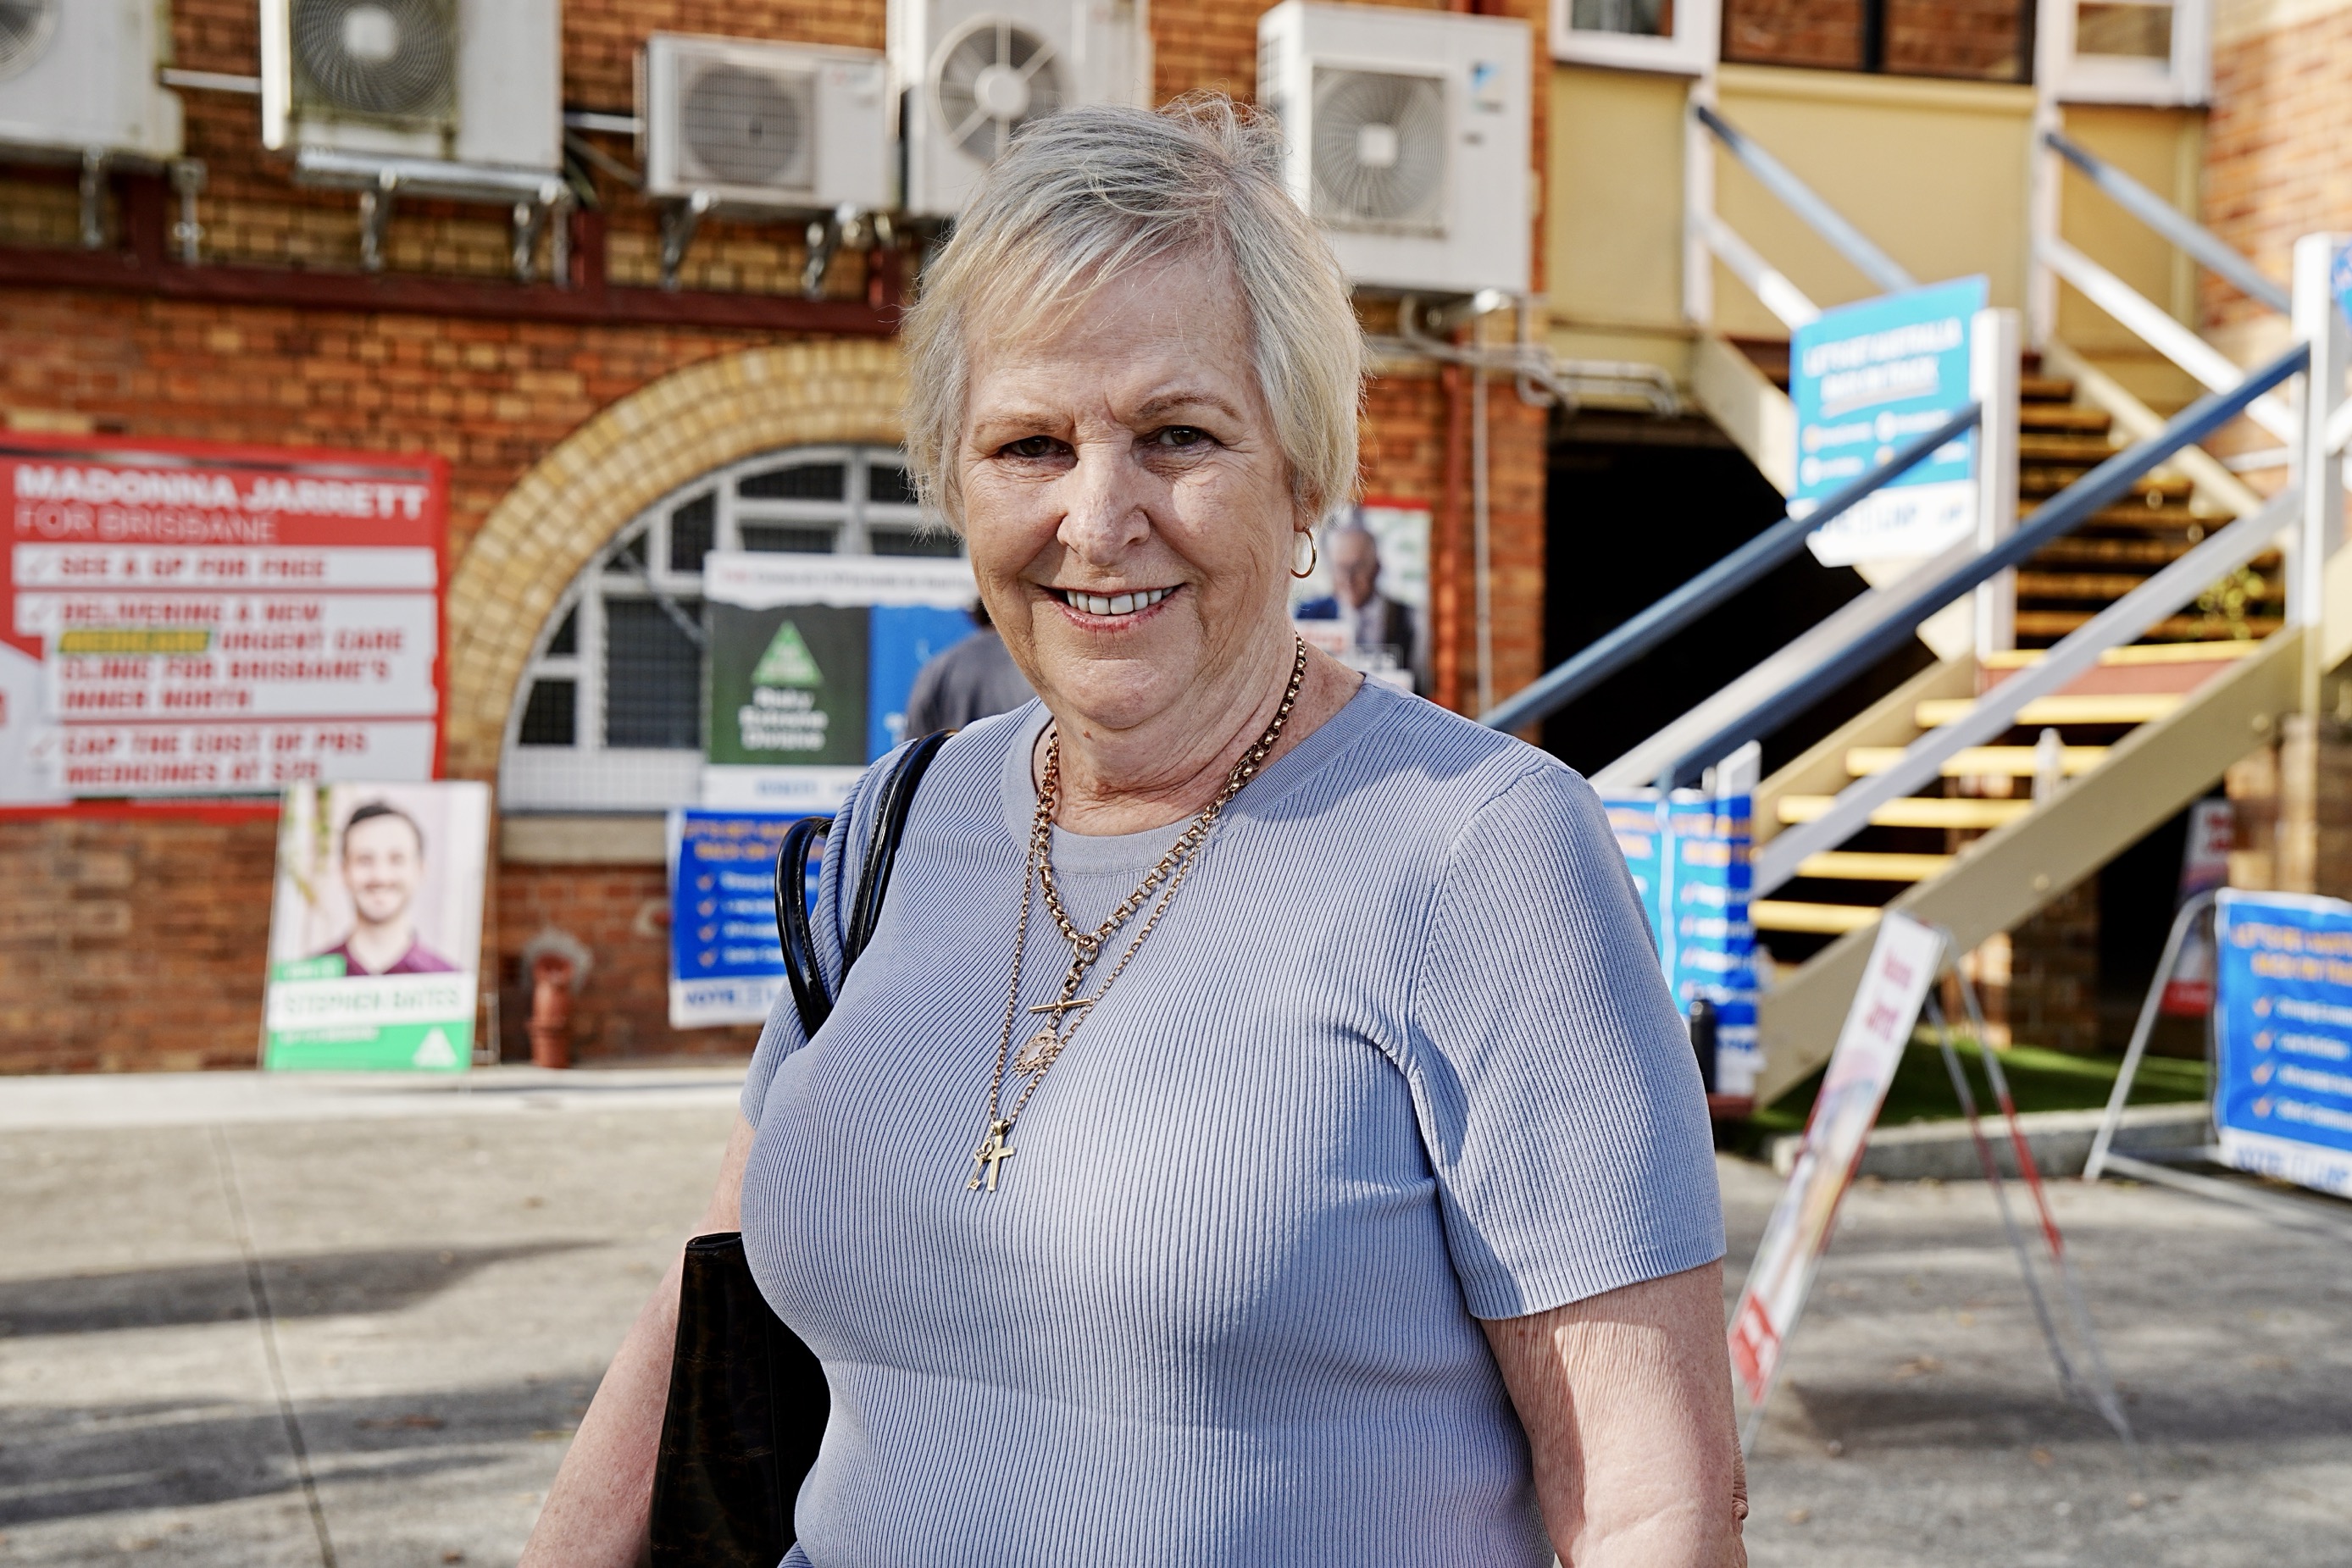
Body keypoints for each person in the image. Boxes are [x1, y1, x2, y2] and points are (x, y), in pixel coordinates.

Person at [524, 96, 1744, 1568]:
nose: (1099, 521)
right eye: (1029, 445)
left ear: (1301, 476)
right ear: (955, 486)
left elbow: (1644, 1502)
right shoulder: (895, 823)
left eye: (1178, 434)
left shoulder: (1483, 853)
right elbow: (694, 1314)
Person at [311, 801, 456, 976]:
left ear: (420, 870)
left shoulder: (448, 979)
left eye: (396, 859)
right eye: (365, 860)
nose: (380, 876)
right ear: (344, 871)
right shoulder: (307, 980)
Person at [1294, 518, 1418, 679]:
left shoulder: (1409, 618)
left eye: (1357, 567)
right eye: (1340, 568)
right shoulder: (1308, 614)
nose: (1348, 579)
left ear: (1377, 567)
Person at [901, 597, 1035, 734]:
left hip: (955, 754)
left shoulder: (940, 666)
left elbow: (916, 741)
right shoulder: (1033, 664)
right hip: (1023, 753)